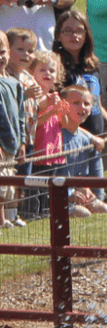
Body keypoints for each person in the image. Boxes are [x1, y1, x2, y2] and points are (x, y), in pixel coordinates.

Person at [53, 10, 107, 179]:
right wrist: (89, 136)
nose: (74, 35)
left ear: (86, 35)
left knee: (97, 194)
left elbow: (95, 100)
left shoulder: (91, 65)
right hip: (71, 141)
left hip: (95, 141)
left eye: (79, 31)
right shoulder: (57, 66)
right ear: (58, 35)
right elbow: (57, 108)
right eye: (67, 30)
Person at [59, 84, 107, 217]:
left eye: (86, 103)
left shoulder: (85, 139)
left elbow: (87, 172)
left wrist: (90, 192)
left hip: (79, 193)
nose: (82, 107)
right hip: (59, 196)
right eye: (76, 103)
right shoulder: (56, 137)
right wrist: (69, 195)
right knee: (83, 214)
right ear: (63, 106)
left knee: (105, 210)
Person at [6, 28, 40, 224]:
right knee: (9, 177)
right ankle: (6, 215)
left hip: (29, 136)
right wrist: (24, 96)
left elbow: (36, 106)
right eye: (20, 49)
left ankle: (14, 213)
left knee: (22, 177)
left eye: (31, 51)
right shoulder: (6, 76)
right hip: (11, 137)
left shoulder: (28, 76)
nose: (26, 55)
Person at [28, 49, 67, 216]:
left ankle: (46, 212)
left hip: (53, 149)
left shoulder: (55, 96)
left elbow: (63, 124)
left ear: (58, 75)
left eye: (52, 70)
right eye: (42, 70)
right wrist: (52, 110)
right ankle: (32, 213)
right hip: (39, 149)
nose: (47, 73)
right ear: (32, 73)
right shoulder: (35, 98)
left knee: (50, 183)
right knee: (35, 185)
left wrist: (62, 111)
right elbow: (36, 123)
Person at [0, 30, 25, 232]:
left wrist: (23, 141)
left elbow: (21, 116)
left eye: (2, 52)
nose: (0, 57)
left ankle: (10, 215)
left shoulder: (15, 83)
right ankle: (1, 220)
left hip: (13, 139)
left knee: (9, 181)